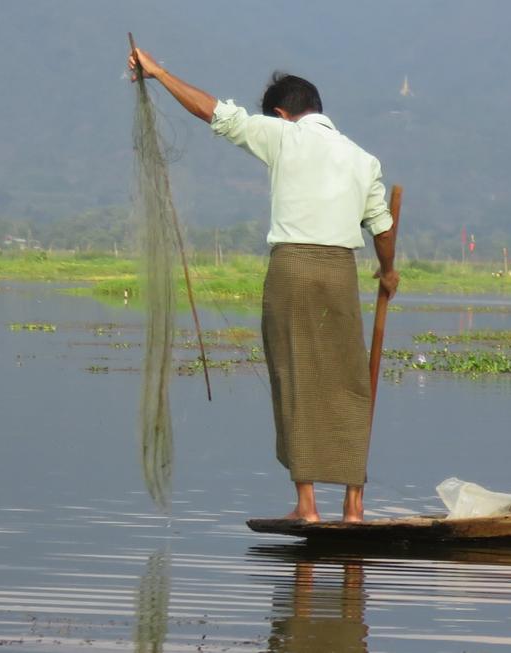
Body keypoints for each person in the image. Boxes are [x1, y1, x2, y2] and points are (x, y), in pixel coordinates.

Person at [129, 46, 398, 523]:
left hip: (293, 266)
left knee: (294, 376)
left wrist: (159, 72)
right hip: (340, 272)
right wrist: (388, 271)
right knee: (349, 382)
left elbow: (211, 110)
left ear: (281, 113)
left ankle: (307, 505)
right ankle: (354, 506)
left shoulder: (282, 136)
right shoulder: (364, 159)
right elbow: (381, 227)